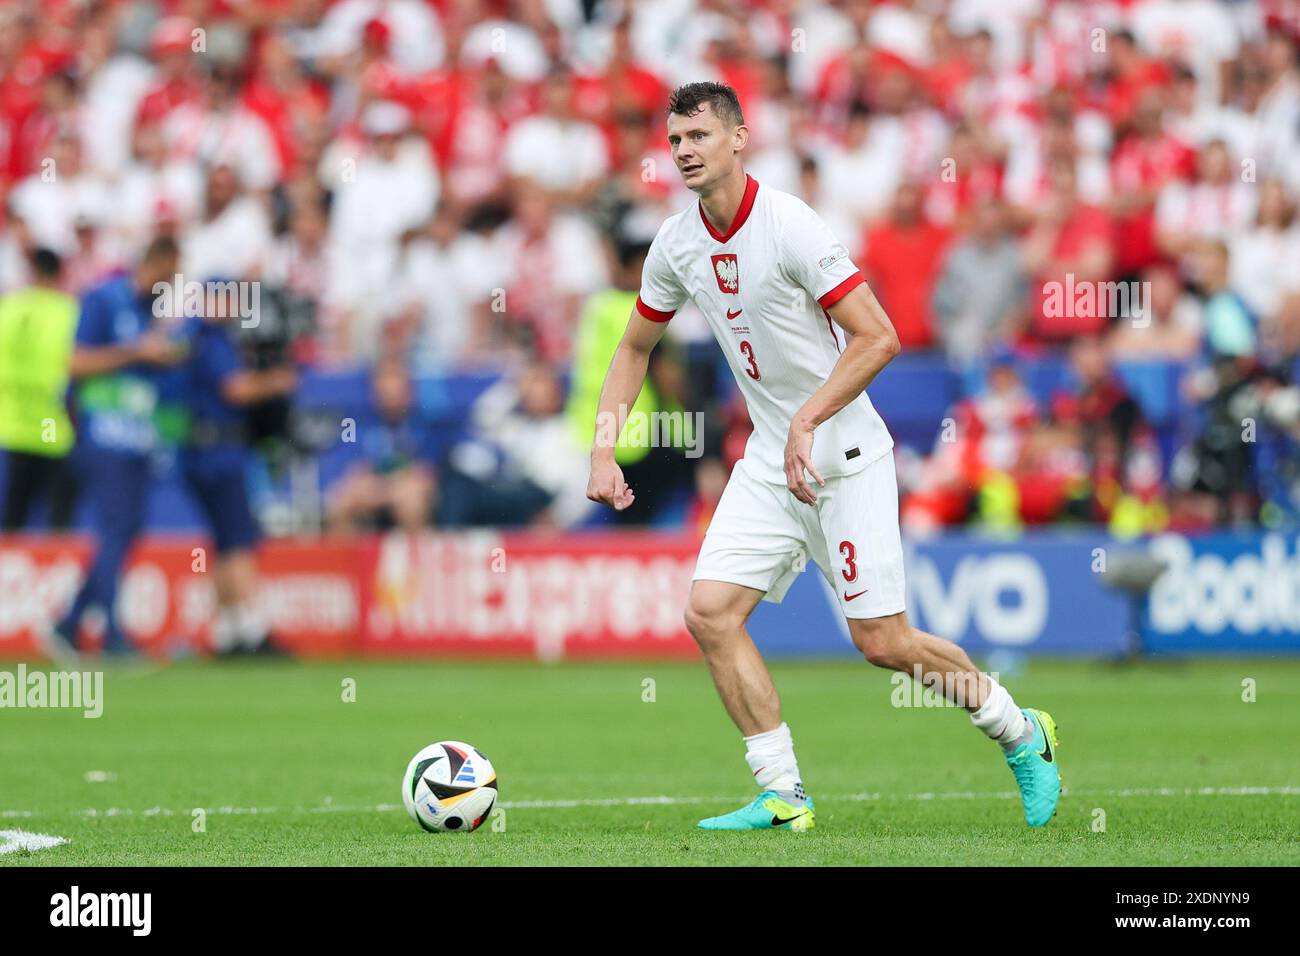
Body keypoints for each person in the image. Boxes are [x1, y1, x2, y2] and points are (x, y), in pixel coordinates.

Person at [585, 82, 1061, 832]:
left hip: (844, 454)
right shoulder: (676, 243)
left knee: (883, 642)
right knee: (709, 614)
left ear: (739, 139)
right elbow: (636, 345)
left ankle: (1020, 731)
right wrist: (603, 449)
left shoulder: (791, 226)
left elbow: (880, 336)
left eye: (699, 136)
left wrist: (807, 418)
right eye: (675, 140)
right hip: (773, 460)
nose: (683, 152)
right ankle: (783, 794)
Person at [50, 236, 187, 657]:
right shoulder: (105, 299)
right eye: (172, 273)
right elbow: (77, 362)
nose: (175, 283)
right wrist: (136, 353)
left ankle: (71, 622)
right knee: (115, 527)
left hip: (137, 436)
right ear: (157, 262)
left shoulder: (153, 314)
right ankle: (109, 633)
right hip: (103, 434)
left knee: (127, 529)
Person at [175, 283, 298, 656]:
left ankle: (228, 631)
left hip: (204, 451)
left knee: (227, 542)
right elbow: (236, 390)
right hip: (218, 452)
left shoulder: (195, 337)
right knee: (240, 538)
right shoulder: (210, 340)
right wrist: (275, 381)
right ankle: (251, 626)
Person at [0, 248, 80, 531]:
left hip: (14, 424)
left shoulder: (8, 308)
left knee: (13, 517)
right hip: (54, 426)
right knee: (59, 521)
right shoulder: (69, 311)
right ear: (59, 274)